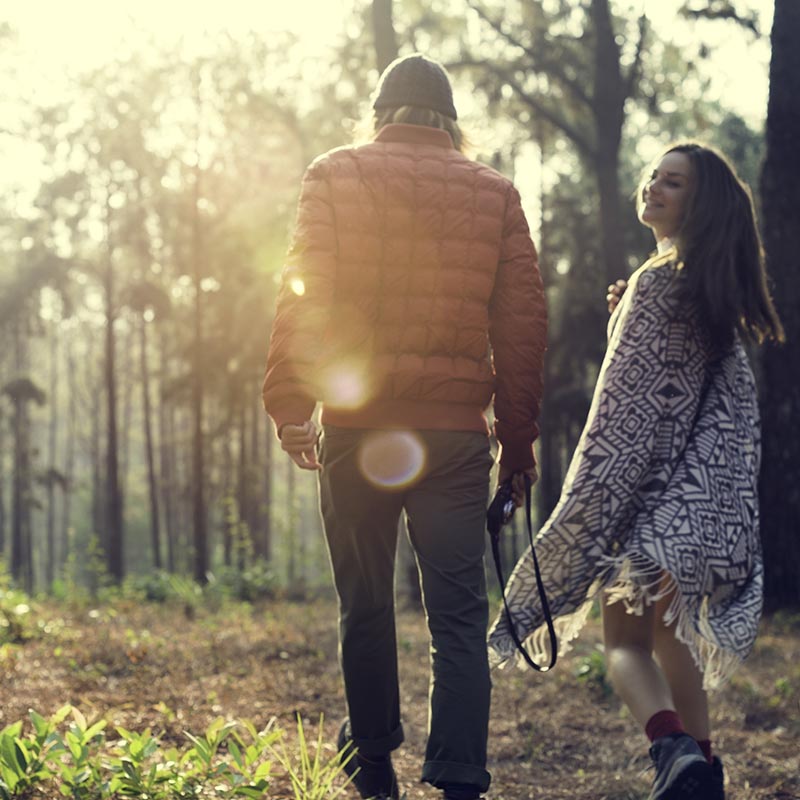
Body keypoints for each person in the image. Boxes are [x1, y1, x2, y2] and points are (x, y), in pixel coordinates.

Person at [262, 53, 547, 800]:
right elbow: (521, 327)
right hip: (453, 436)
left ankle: (374, 763)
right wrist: (517, 443)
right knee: (458, 615)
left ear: (380, 112)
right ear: (452, 120)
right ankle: (457, 775)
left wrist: (291, 403)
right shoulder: (496, 193)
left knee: (364, 602)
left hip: (358, 427)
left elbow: (304, 290)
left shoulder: (334, 173)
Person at [488, 142, 784, 800]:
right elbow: (680, 396)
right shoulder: (711, 295)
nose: (653, 187)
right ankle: (704, 769)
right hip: (704, 515)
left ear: (699, 203)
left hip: (656, 517)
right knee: (673, 642)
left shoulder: (659, 286)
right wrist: (630, 307)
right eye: (653, 177)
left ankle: (673, 753)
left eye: (673, 183)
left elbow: (621, 423)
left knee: (625, 647)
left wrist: (580, 522)